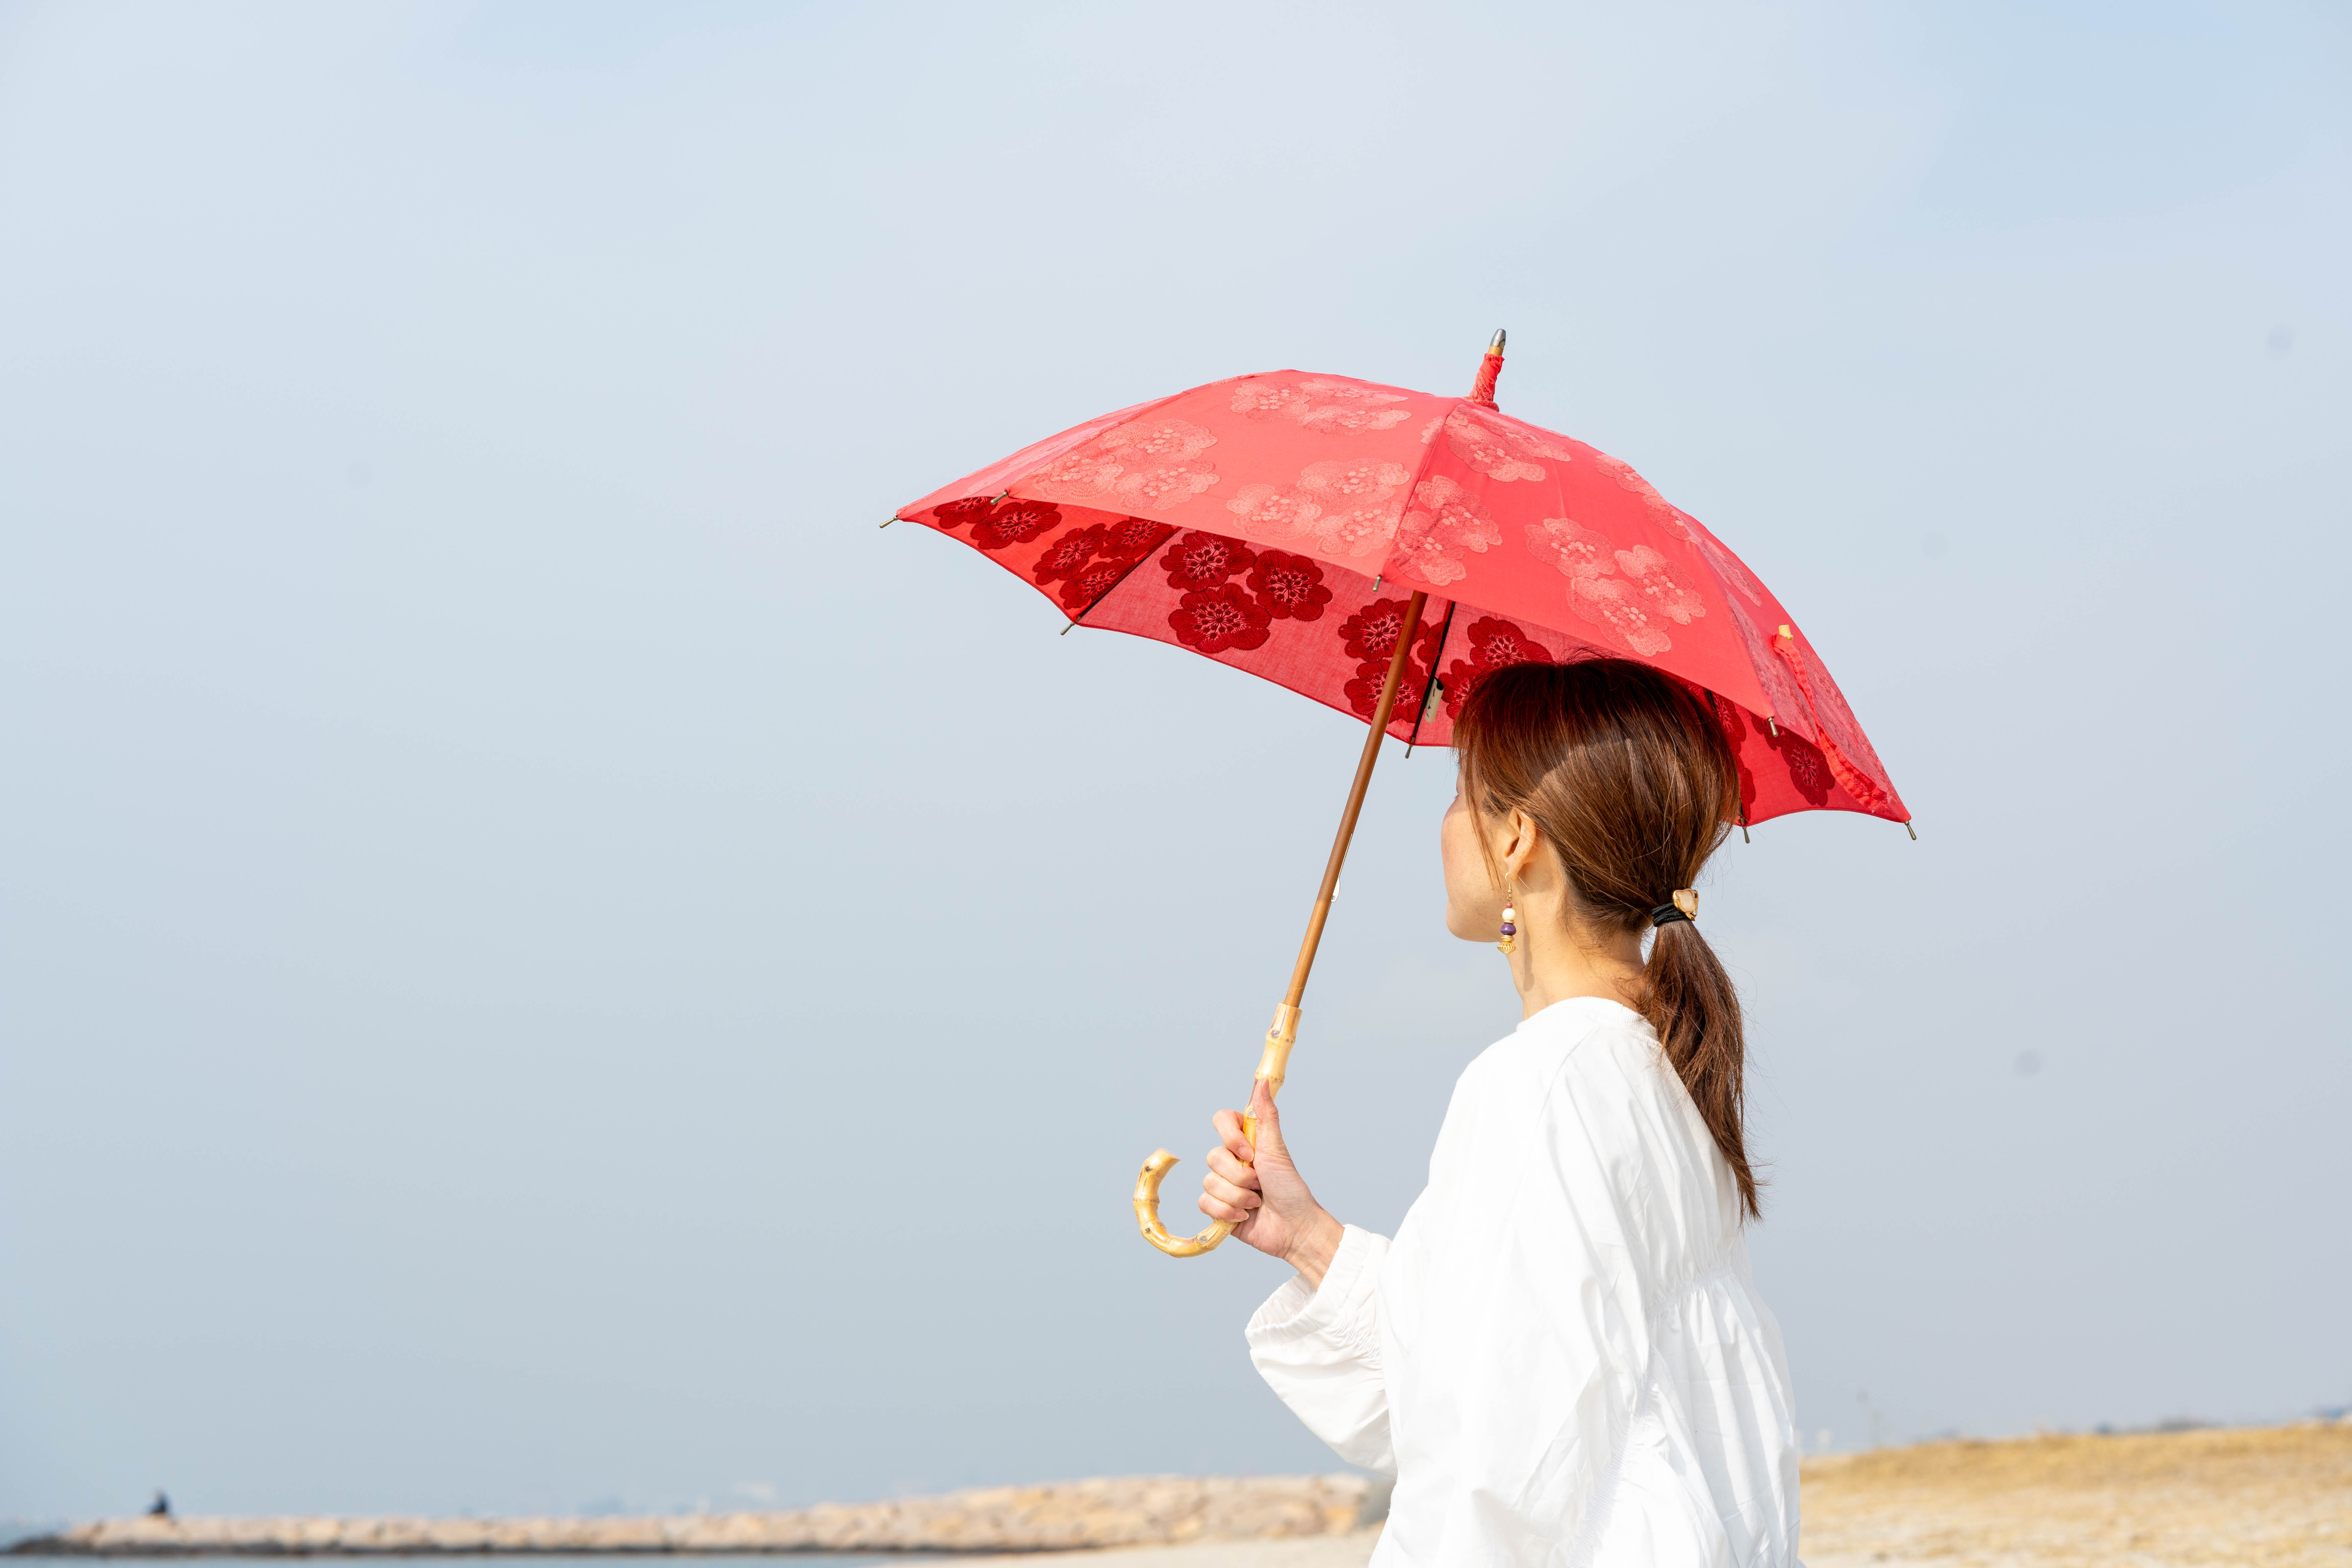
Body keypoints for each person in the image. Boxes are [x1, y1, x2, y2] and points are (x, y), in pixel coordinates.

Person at [1198, 657, 1802, 1567]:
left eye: (1459, 795)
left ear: (1517, 837)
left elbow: (1498, 1466)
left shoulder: (1542, 1082)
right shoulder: (1652, 1069)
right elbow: (1492, 1365)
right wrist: (1309, 1239)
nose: (1444, 829)